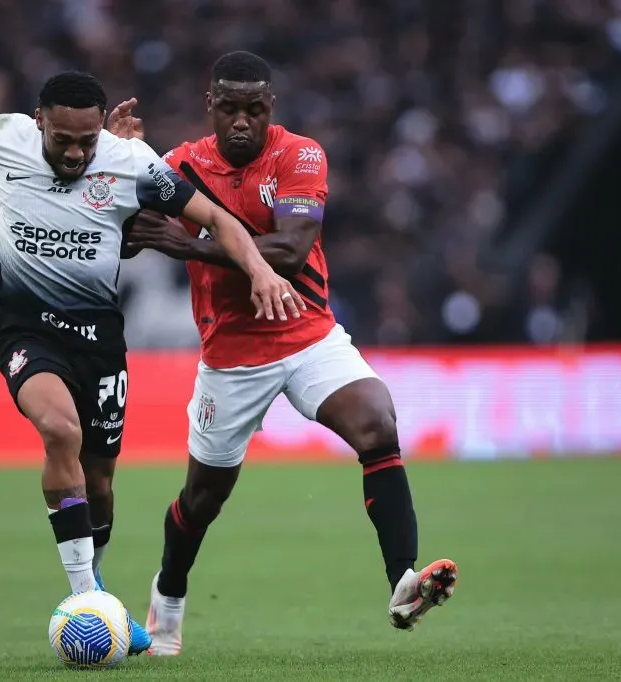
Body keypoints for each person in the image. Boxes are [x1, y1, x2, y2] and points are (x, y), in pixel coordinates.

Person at [0, 71, 302, 655]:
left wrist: (261, 270)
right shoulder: (6, 134)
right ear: (39, 122)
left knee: (101, 486)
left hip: (99, 337)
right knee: (60, 430)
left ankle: (98, 590)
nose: (77, 152)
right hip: (24, 324)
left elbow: (217, 219)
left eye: (88, 141)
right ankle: (88, 598)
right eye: (64, 139)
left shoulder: (131, 162)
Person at [116, 52, 458, 655]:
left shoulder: (299, 155)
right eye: (230, 109)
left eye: (254, 109)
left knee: (377, 421)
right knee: (203, 499)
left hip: (307, 333)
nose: (242, 121)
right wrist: (119, 164)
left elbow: (291, 251)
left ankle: (402, 580)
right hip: (231, 357)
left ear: (270, 108)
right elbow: (130, 233)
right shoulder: (179, 165)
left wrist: (190, 244)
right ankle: (168, 592)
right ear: (210, 108)